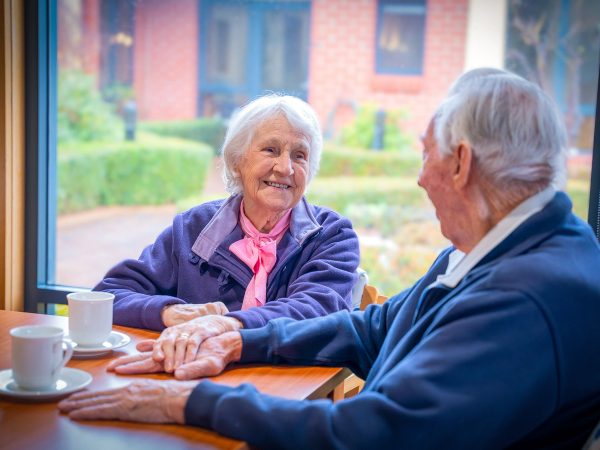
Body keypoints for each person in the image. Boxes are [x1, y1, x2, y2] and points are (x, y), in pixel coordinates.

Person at [59, 69, 600, 448]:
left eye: (424, 153)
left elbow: (380, 433)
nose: (419, 177)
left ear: (460, 163)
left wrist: (193, 403)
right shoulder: (487, 255)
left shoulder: (527, 296)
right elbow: (375, 328)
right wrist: (237, 341)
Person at [93, 94, 359, 373]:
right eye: (270, 149)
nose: (285, 168)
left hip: (289, 385)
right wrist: (169, 313)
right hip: (193, 378)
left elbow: (316, 308)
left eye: (299, 155)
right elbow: (109, 295)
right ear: (236, 162)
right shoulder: (192, 228)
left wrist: (225, 324)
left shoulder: (332, 234)